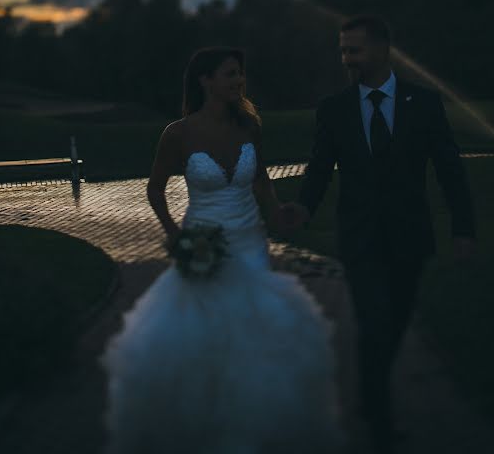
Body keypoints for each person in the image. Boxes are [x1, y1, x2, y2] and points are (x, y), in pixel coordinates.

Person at [100, 47, 343, 454]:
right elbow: (154, 189)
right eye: (230, 74)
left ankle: (256, 425)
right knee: (205, 337)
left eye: (240, 74)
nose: (238, 82)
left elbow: (261, 180)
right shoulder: (178, 134)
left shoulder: (249, 125)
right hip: (204, 247)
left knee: (256, 336)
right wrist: (173, 233)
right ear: (205, 80)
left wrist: (277, 212)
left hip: (250, 243)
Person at [281, 14, 476, 454]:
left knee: (396, 322)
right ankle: (380, 418)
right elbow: (318, 169)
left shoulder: (423, 104)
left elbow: (449, 169)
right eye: (343, 50)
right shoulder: (334, 109)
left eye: (355, 49)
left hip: (410, 236)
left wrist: (463, 228)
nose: (347, 59)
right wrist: (303, 207)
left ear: (384, 50)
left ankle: (371, 394)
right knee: (375, 322)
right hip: (361, 239)